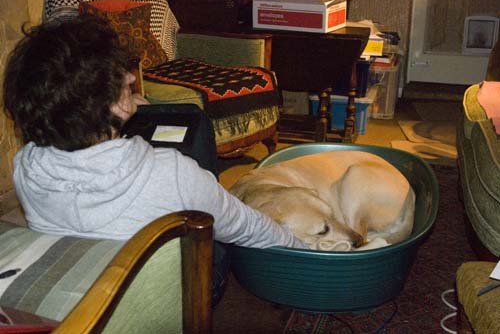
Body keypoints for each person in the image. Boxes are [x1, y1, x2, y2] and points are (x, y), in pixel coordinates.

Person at [3, 15, 307, 291]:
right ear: (116, 105)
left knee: (186, 128)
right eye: (121, 77)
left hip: (81, 282)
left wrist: (125, 110)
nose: (133, 78)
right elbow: (245, 227)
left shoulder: (26, 166)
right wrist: (296, 245)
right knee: (218, 229)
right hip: (159, 296)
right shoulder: (173, 173)